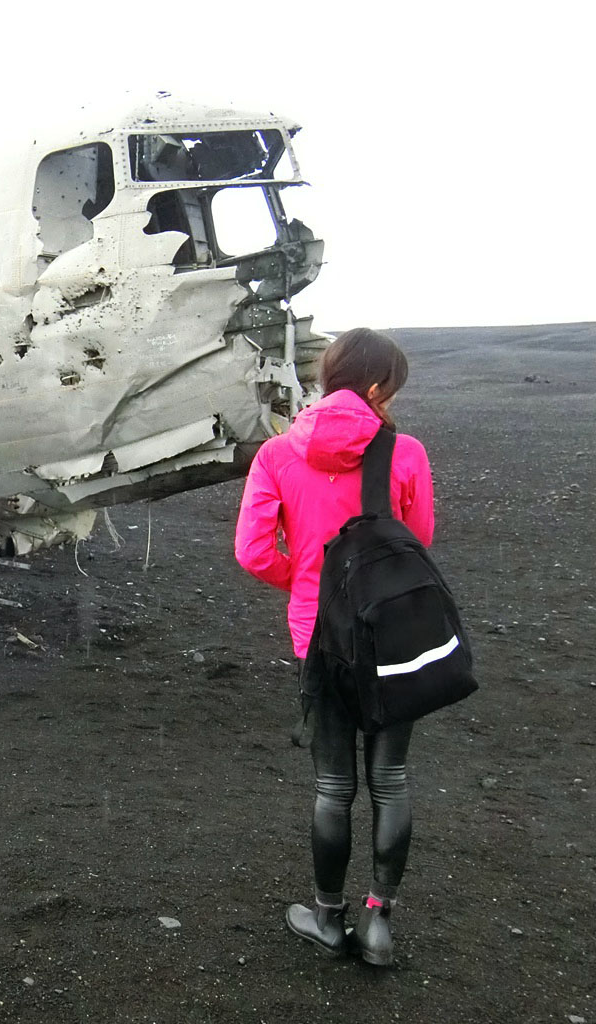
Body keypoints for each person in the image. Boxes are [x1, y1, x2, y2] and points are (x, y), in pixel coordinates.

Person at [234, 327, 434, 966]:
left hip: (318, 635)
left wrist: (303, 579)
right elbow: (418, 541)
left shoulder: (276, 454)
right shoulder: (404, 452)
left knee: (332, 783)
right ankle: (378, 926)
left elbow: (253, 550)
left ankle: (327, 917)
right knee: (392, 777)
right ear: (375, 388)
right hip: (392, 635)